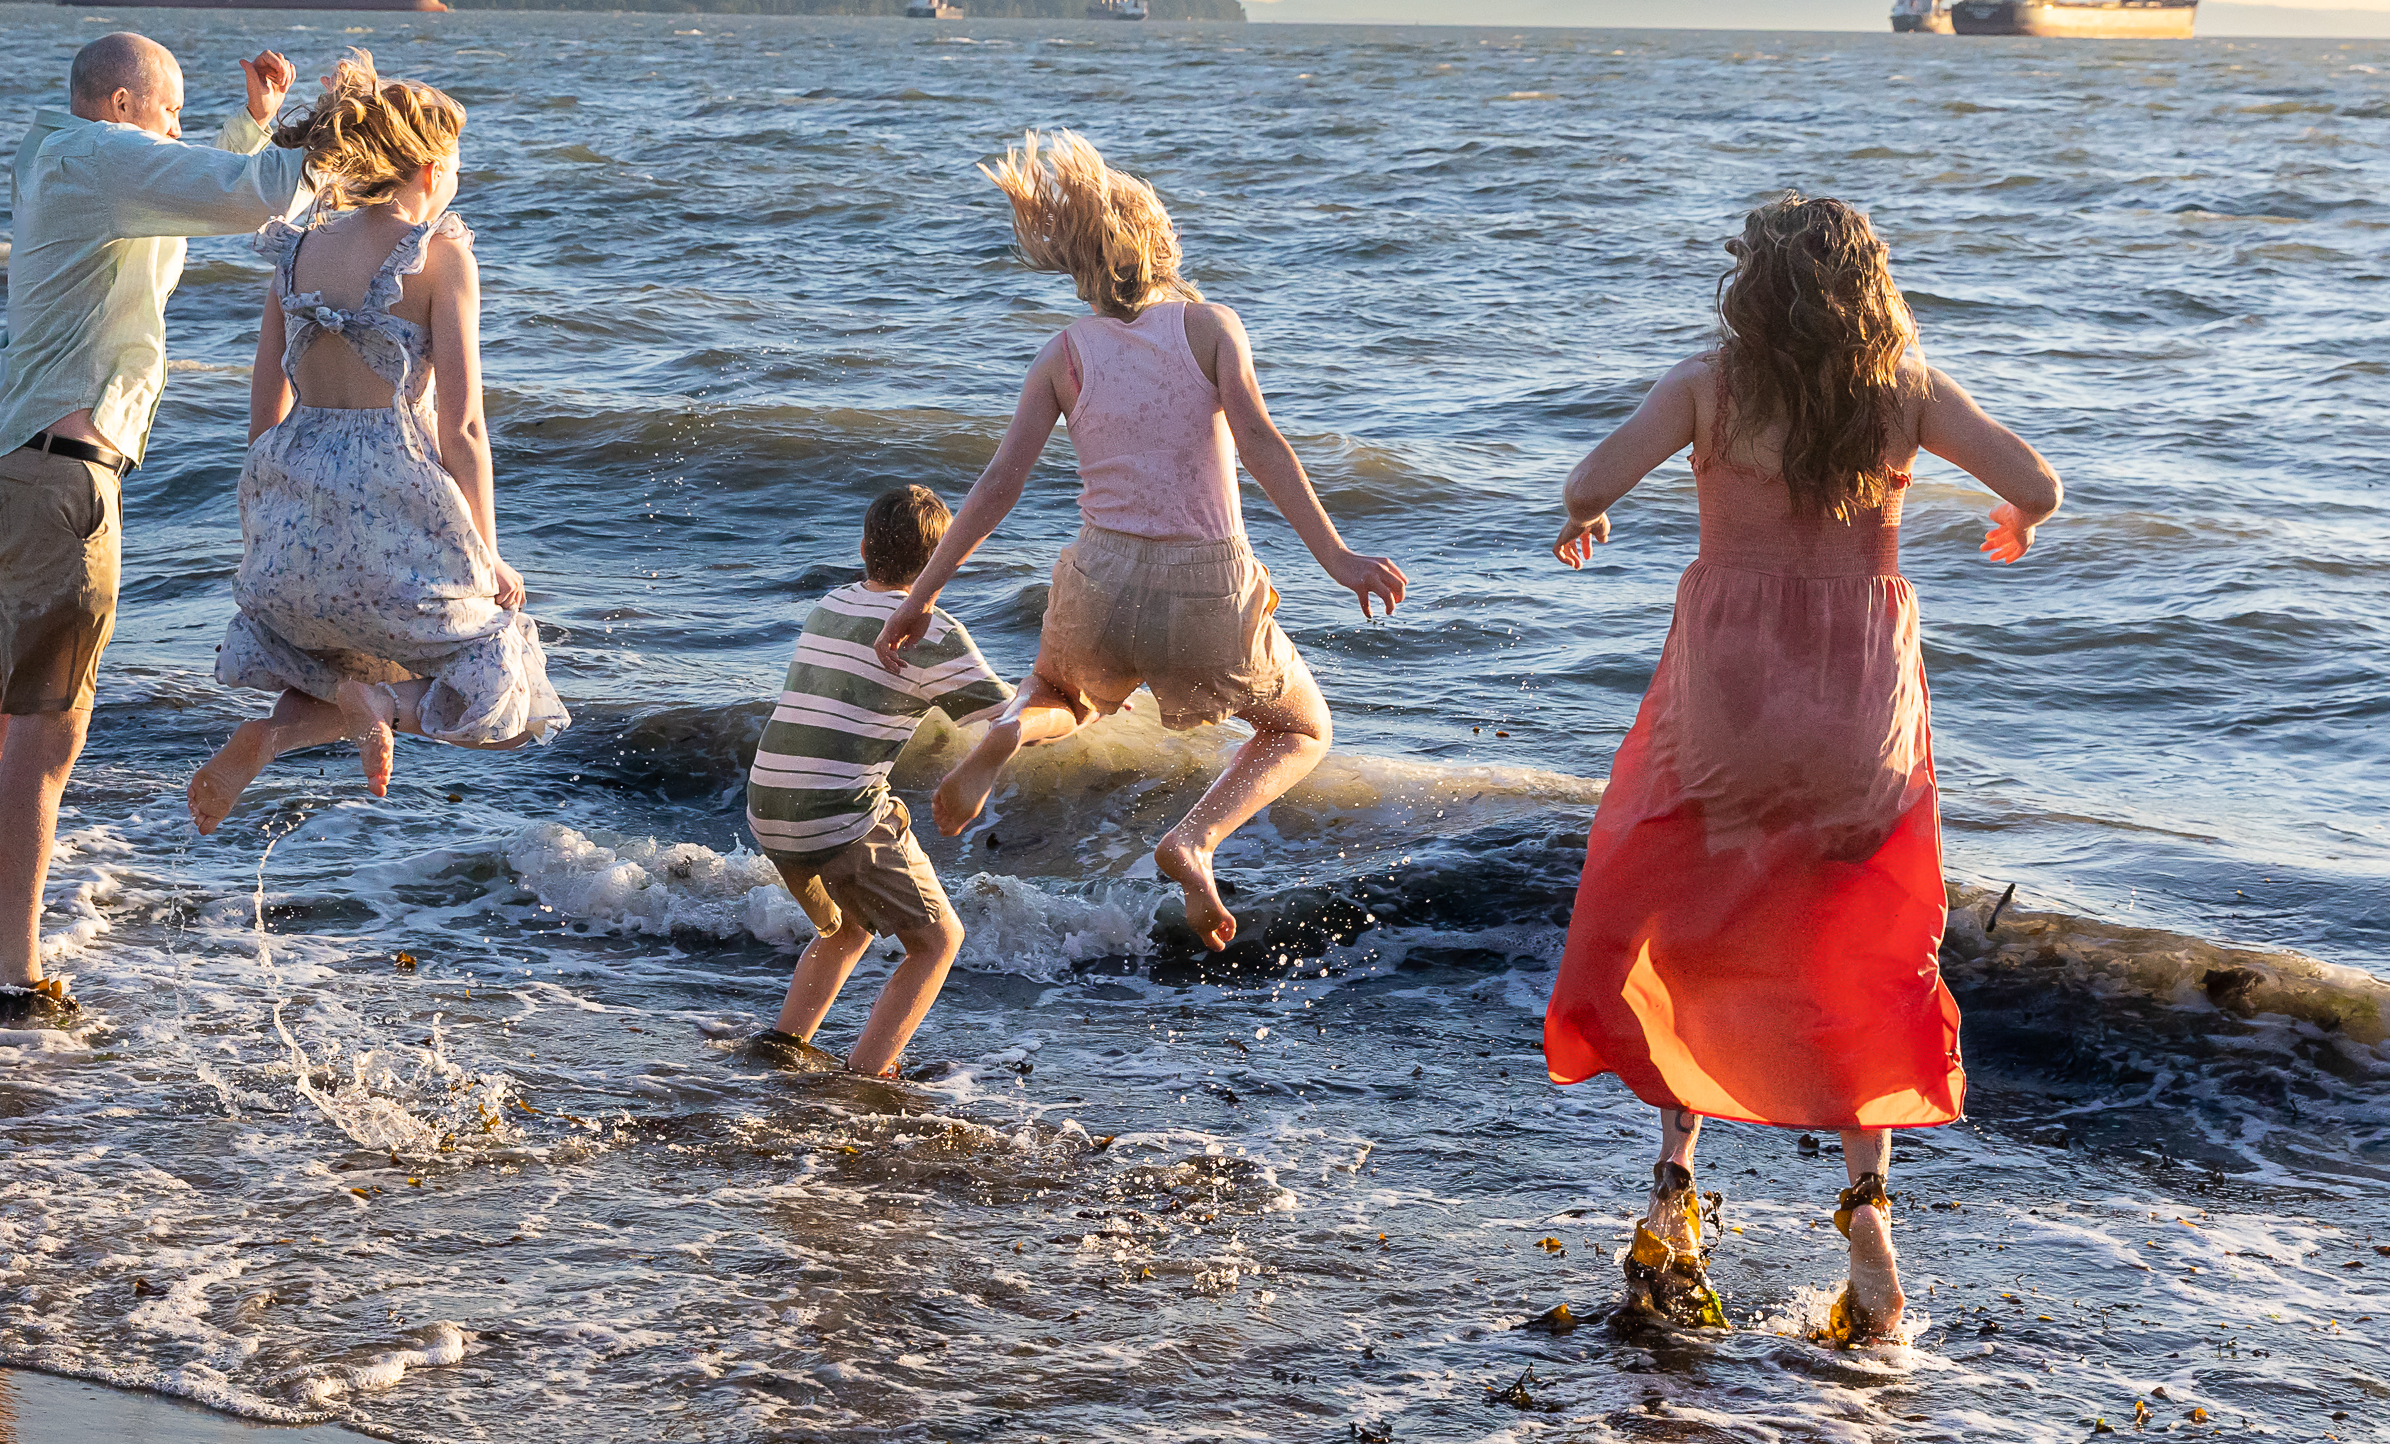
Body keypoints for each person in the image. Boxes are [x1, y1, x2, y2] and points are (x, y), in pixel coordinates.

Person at [1540, 193, 2061, 1344]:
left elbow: (1589, 480)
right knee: (1860, 943)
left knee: (1686, 928)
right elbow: (2036, 479)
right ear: (1870, 284)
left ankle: (1675, 1188)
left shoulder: (1707, 385)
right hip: (1857, 704)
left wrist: (1588, 520)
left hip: (1729, 695)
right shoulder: (1906, 391)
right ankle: (1867, 1204)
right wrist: (2018, 520)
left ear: (1748, 287)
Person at [873, 131, 1408, 951]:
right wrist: (1337, 557)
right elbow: (1262, 444)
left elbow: (997, 486)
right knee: (1300, 729)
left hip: (1101, 578)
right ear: (1159, 243)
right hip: (1207, 588)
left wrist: (920, 598)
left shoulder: (1063, 353)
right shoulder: (1211, 327)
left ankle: (1013, 729)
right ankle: (1194, 839)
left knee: (1060, 694)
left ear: (1077, 262)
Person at [0, 32, 313, 1023]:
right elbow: (255, 196)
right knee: (51, 729)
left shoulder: (72, 162)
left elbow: (190, 194)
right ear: (123, 108)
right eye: (168, 119)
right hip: (56, 482)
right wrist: (339, 133)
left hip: (4, 464)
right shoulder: (98, 156)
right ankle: (9, 966)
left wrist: (249, 123)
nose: (174, 138)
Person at [185, 53, 566, 832]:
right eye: (456, 164)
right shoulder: (440, 256)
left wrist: (268, 520)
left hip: (294, 522)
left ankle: (267, 740)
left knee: (338, 651)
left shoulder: (294, 250)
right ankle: (383, 705)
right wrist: (486, 555)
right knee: (508, 692)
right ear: (430, 169)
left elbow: (265, 407)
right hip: (396, 510)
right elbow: (461, 426)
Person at [746, 484, 1015, 1078]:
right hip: (833, 816)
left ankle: (782, 1043)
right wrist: (1083, 698)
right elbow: (1011, 716)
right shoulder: (934, 633)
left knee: (847, 925)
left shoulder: (831, 604)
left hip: (768, 804)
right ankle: (867, 1075)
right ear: (949, 561)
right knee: (939, 942)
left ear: (864, 546)